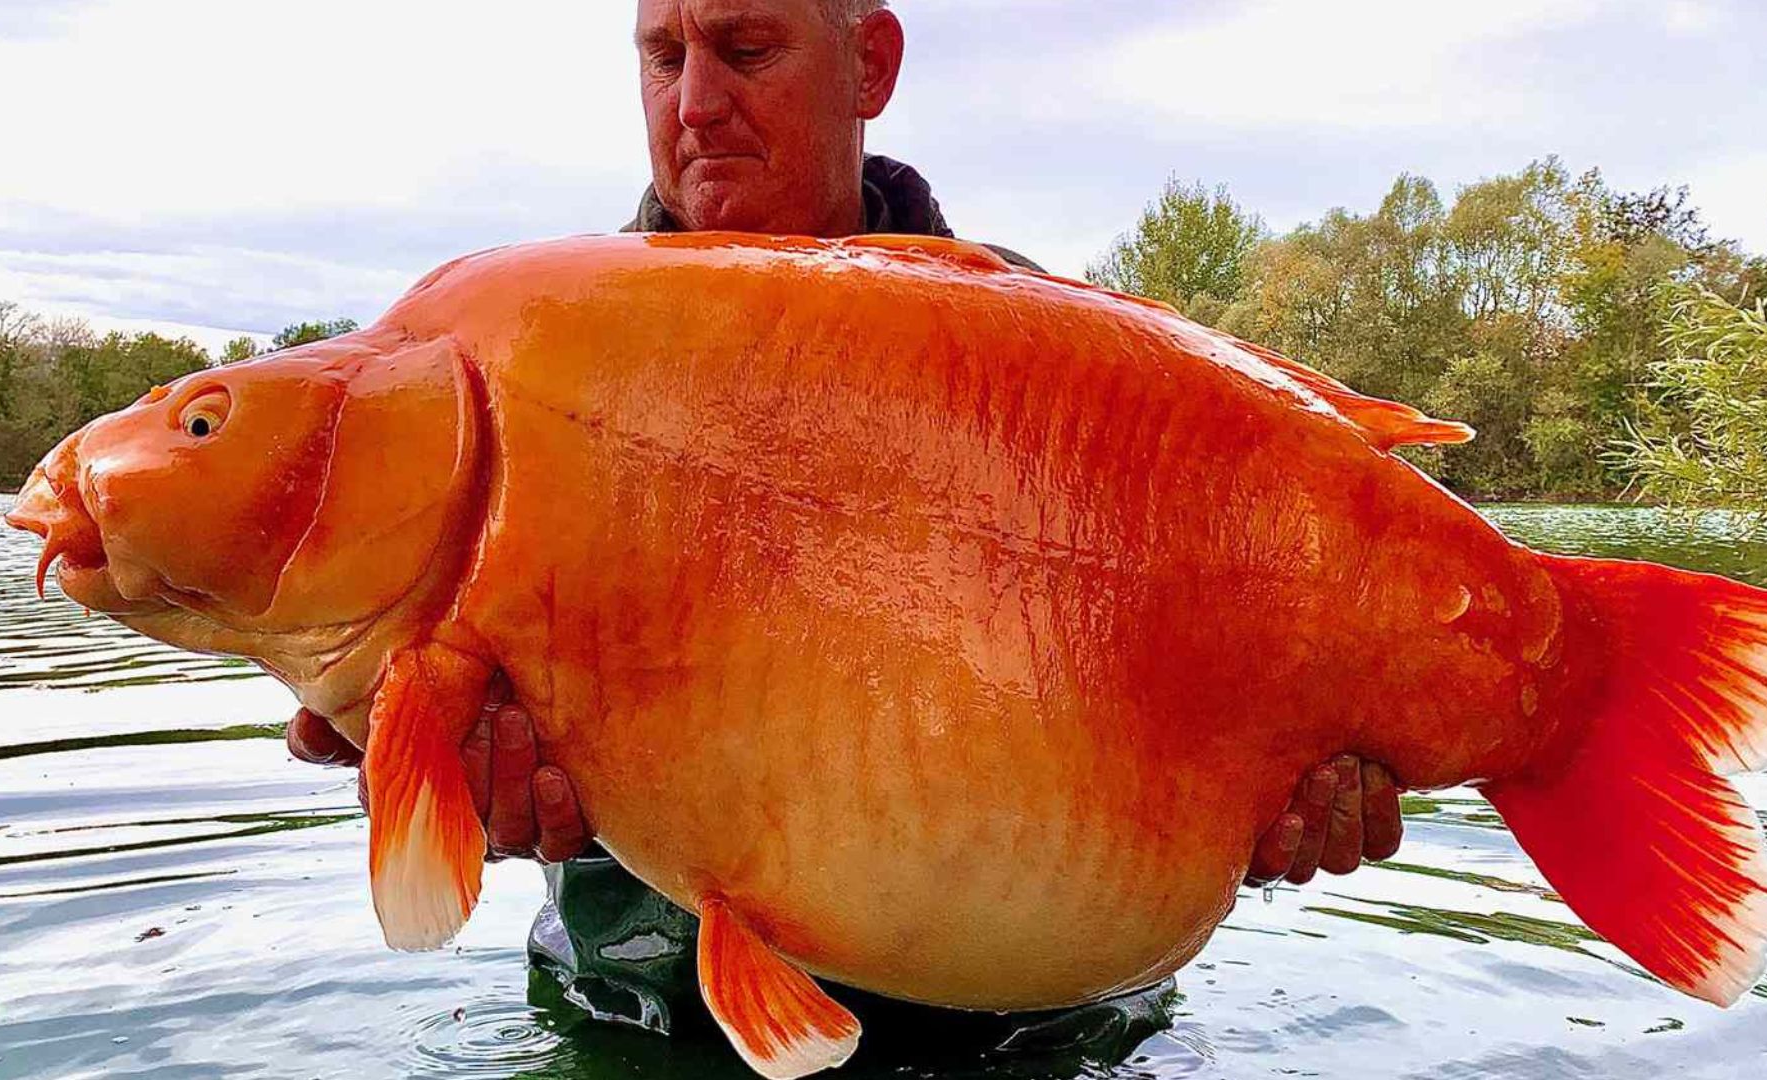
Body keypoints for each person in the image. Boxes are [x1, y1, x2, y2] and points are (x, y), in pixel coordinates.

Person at [287, 0, 1406, 1058]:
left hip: (1035, 1044)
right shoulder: (523, 356)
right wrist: (431, 764)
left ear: (869, 64)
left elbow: (1191, 724)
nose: (695, 103)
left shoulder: (1069, 368)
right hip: (638, 1021)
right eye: (665, 56)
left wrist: (1276, 814)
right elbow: (423, 749)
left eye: (748, 49)